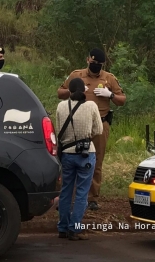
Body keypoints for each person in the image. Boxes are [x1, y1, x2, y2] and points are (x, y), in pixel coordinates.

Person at [57, 48, 126, 211]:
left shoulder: (109, 78)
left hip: (100, 124)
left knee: (96, 160)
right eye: (93, 63)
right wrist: (74, 91)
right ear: (88, 60)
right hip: (76, 124)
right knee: (70, 159)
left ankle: (93, 197)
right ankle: (69, 197)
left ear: (103, 64)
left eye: (99, 64)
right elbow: (60, 93)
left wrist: (110, 95)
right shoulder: (76, 75)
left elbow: (122, 100)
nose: (95, 66)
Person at [56, 77, 103, 240]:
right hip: (86, 153)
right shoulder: (91, 106)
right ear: (84, 90)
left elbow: (58, 129)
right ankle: (74, 229)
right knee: (82, 193)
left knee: (66, 191)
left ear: (69, 91)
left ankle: (62, 227)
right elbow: (99, 129)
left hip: (67, 154)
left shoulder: (61, 106)